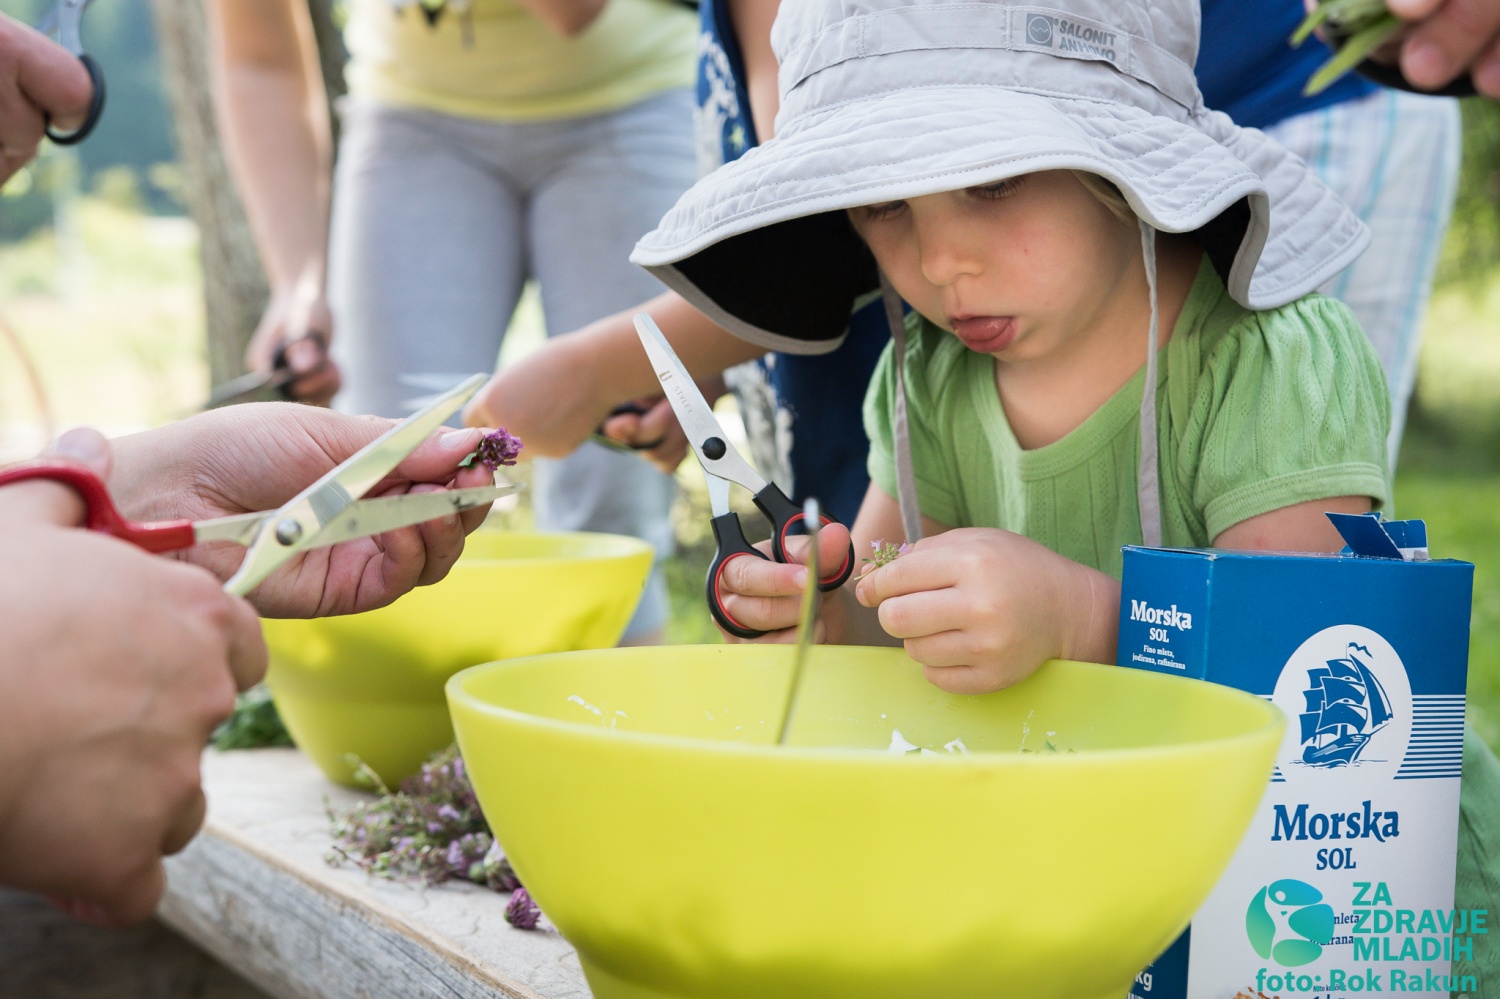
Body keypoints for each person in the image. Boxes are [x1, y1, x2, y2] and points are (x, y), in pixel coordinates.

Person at [628, 0, 1498, 982]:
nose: (939, 259)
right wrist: (825, 609)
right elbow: (885, 614)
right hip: (1121, 889)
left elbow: (1312, 681)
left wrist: (1084, 618)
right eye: (884, 206)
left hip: (1343, 909)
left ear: (1121, 172)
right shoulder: (931, 381)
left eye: (992, 183)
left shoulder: (1268, 354)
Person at [207, 0, 700, 643]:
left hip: (633, 101)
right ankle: (410, 731)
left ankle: (610, 725)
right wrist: (298, 283)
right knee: (386, 499)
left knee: (614, 504)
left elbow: (571, 12)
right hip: (414, 120)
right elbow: (259, 57)